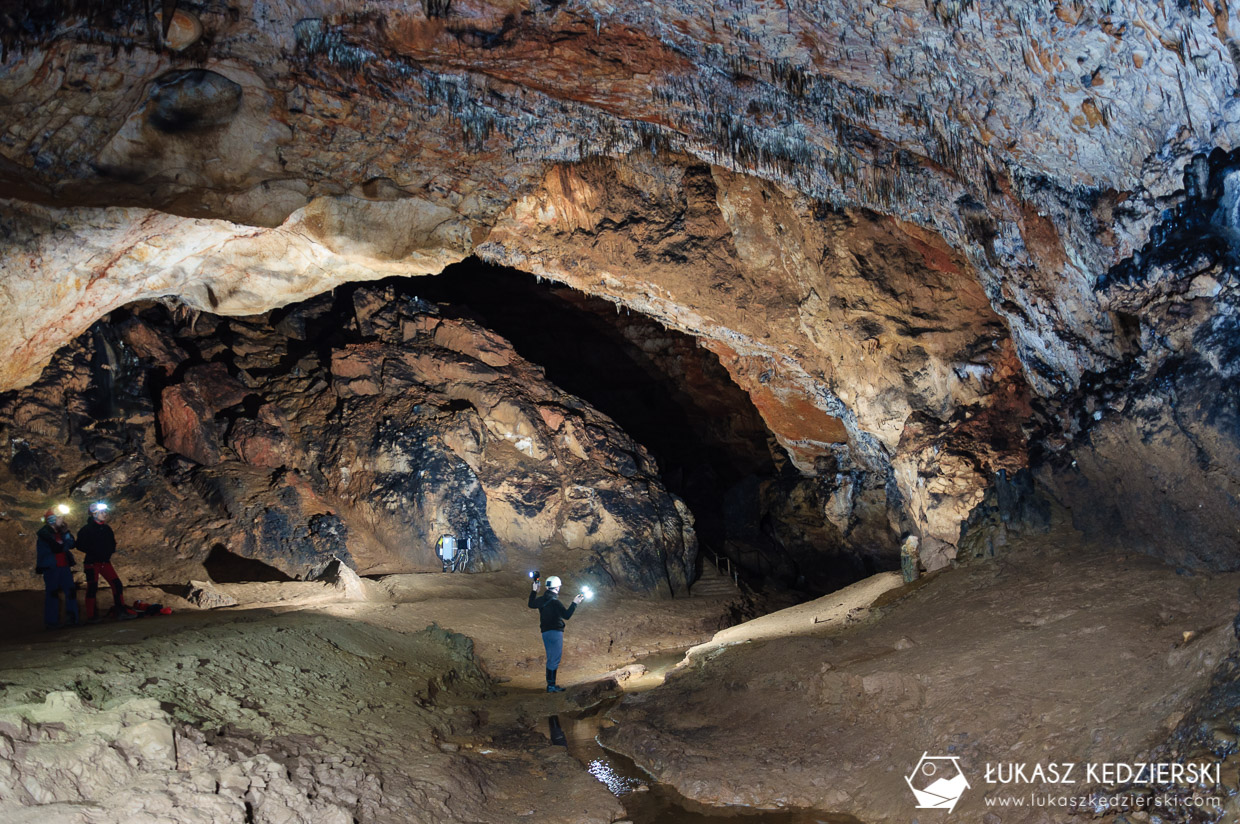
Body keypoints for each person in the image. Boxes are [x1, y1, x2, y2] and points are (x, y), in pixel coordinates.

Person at [528, 574, 585, 693]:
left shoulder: (541, 600)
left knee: (551, 658)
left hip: (545, 632)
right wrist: (575, 603)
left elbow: (531, 604)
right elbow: (567, 616)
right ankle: (551, 686)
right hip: (555, 633)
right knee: (554, 659)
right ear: (557, 588)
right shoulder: (555, 602)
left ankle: (551, 684)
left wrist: (534, 591)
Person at [77, 502, 130, 621]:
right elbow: (80, 545)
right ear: (94, 514)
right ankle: (91, 616)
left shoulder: (106, 528)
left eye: (105, 512)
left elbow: (112, 542)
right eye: (102, 512)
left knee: (117, 584)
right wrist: (95, 551)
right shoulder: (86, 530)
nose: (105, 514)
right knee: (92, 587)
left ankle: (120, 611)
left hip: (105, 562)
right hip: (92, 563)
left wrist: (109, 551)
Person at [35, 506, 79, 629]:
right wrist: (61, 538)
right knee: (52, 594)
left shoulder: (61, 532)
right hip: (51, 567)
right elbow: (57, 548)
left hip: (64, 566)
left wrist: (65, 532)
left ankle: (72, 619)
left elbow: (71, 544)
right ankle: (51, 622)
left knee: (70, 592)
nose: (61, 520)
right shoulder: (44, 534)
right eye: (58, 518)